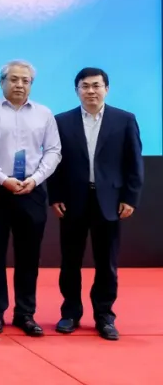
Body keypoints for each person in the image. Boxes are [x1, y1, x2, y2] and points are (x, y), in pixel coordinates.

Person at [50, 67, 144, 341]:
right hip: (72, 201)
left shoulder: (124, 120)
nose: (91, 91)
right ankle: (70, 313)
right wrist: (54, 196)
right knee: (70, 261)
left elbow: (134, 162)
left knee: (107, 263)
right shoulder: (61, 121)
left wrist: (130, 198)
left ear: (106, 89)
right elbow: (55, 163)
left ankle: (104, 316)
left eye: (96, 85)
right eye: (85, 86)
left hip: (110, 201)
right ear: (76, 90)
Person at [0, 61, 62, 337]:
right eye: (13, 79)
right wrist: (1, 178)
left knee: (29, 256)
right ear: (1, 81)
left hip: (31, 190)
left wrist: (36, 179)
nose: (19, 85)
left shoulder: (44, 113)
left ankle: (25, 313)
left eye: (25, 81)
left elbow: (53, 151)